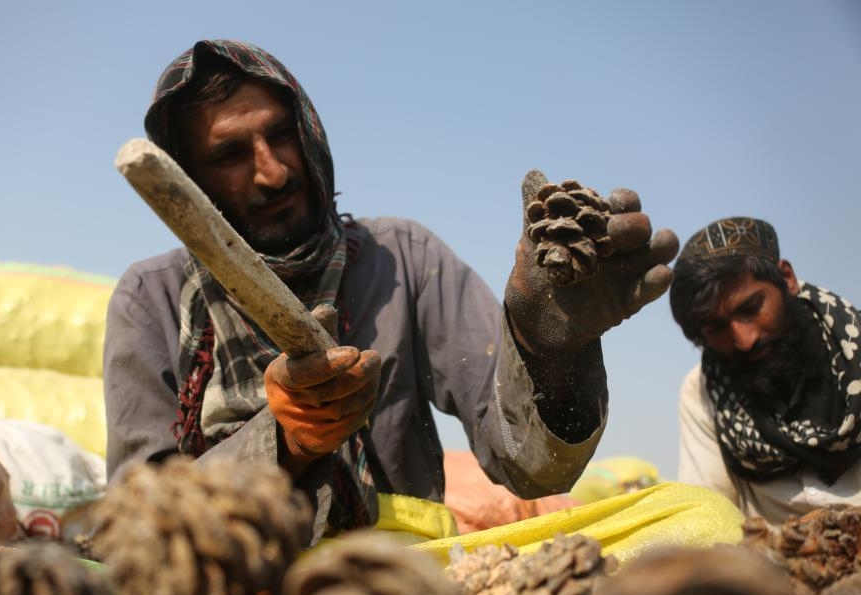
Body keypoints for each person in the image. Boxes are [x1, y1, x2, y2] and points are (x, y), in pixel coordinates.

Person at [105, 39, 678, 540]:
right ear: (192, 176)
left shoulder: (404, 257)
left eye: (281, 135)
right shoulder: (149, 298)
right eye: (230, 154)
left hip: (403, 577)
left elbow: (528, 467)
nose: (273, 171)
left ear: (308, 131)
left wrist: (551, 350)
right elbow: (137, 528)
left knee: (692, 516)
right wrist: (285, 442)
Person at [671, 216, 861, 524]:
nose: (745, 341)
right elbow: (709, 517)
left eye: (750, 309)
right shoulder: (702, 390)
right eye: (717, 327)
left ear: (787, 279)